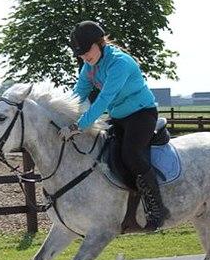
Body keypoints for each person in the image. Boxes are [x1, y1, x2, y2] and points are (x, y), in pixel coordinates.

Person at [59, 20, 169, 230]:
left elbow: (103, 101)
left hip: (141, 115)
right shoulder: (90, 67)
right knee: (103, 152)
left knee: (131, 154)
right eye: (80, 54)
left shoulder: (120, 63)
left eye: (86, 51)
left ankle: (158, 209)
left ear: (99, 43)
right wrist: (62, 116)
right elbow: (77, 95)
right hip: (119, 117)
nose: (84, 57)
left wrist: (77, 126)